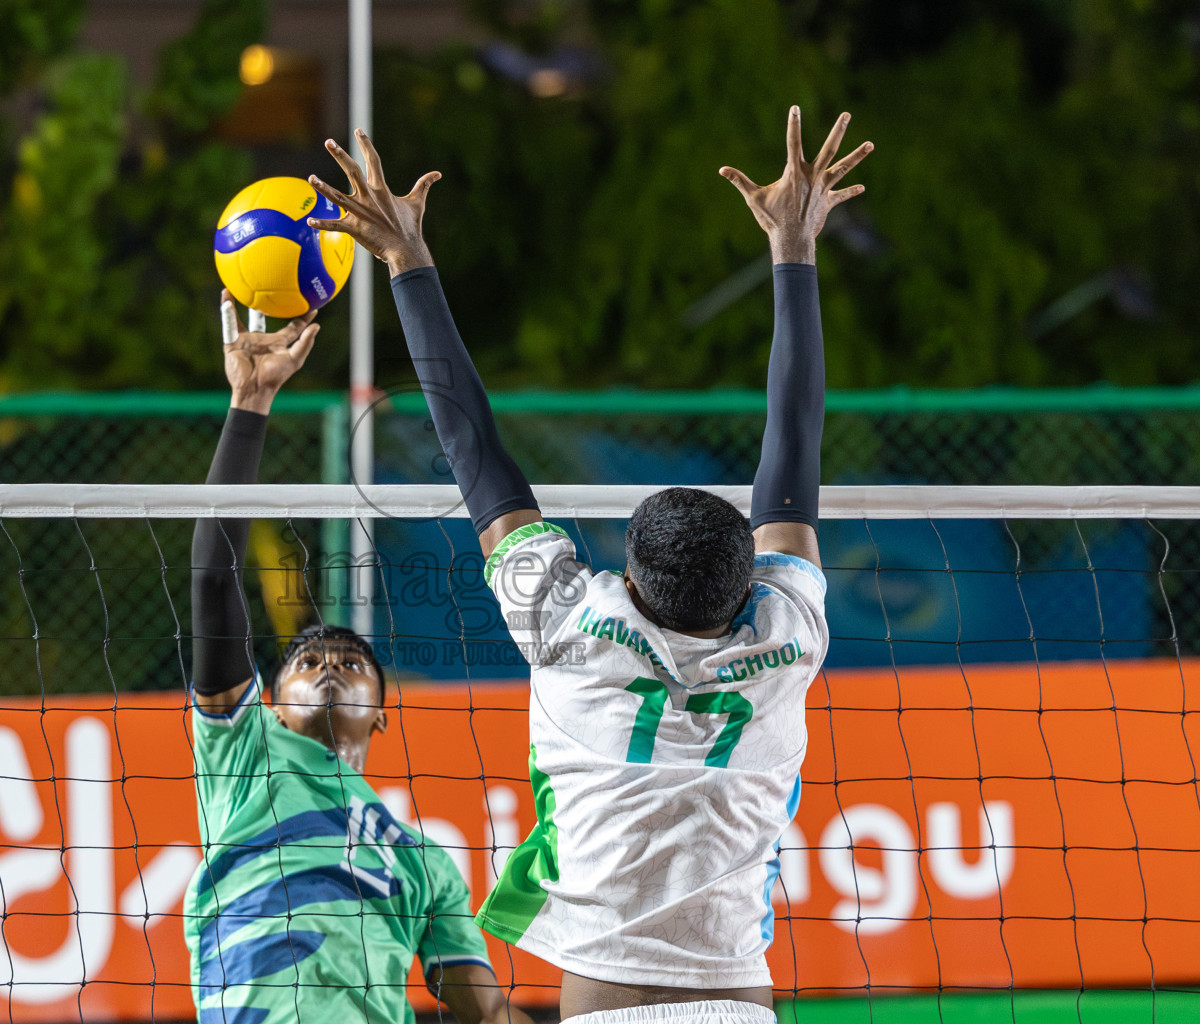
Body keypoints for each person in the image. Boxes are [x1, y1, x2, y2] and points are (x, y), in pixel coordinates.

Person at [308, 107, 871, 1024]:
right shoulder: (787, 637)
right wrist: (797, 253)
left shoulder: (572, 627)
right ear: (747, 588)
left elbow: (473, 450)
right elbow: (794, 451)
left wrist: (406, 259)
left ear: (634, 585)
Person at [184, 291, 535, 1024]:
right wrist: (249, 402)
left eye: (349, 660)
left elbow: (488, 1011)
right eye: (306, 661)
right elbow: (214, 581)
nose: (328, 663)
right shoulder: (243, 756)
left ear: (381, 716)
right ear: (271, 706)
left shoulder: (423, 862)